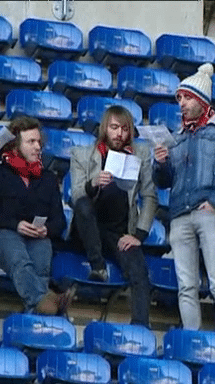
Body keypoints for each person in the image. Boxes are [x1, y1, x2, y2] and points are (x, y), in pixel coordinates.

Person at [153, 63, 215, 338]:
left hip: (210, 212)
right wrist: (160, 165)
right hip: (180, 215)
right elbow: (164, 181)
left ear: (202, 100)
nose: (181, 103)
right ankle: (192, 338)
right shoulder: (177, 135)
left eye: (186, 97)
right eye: (179, 98)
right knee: (186, 285)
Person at [0, 116, 72, 315]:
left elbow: (59, 221)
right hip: (0, 235)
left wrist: (46, 229)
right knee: (18, 256)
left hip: (36, 236)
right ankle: (45, 298)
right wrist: (15, 225)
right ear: (15, 145)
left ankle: (37, 313)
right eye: (31, 142)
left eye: (39, 142)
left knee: (42, 259)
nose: (38, 147)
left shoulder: (48, 178)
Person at [70, 105, 157, 327]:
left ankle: (140, 328)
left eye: (125, 129)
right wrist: (93, 183)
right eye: (114, 127)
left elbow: (149, 196)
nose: (119, 134)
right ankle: (97, 265)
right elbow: (76, 196)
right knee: (83, 205)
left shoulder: (140, 155)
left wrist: (139, 235)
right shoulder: (82, 155)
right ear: (104, 129)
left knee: (139, 272)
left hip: (119, 233)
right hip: (88, 229)